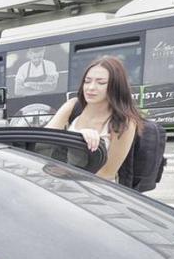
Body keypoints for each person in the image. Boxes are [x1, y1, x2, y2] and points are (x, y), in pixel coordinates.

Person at [43, 55, 140, 184]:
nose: (91, 88)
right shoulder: (73, 106)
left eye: (101, 83)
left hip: (96, 191)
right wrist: (79, 136)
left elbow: (107, 173)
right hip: (60, 183)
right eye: (87, 81)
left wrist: (67, 171)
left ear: (116, 86)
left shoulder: (124, 122)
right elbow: (43, 141)